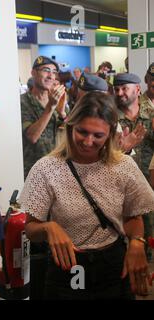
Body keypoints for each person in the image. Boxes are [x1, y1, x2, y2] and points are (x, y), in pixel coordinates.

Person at [20, 91, 154, 299]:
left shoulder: (123, 166)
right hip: (68, 266)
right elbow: (31, 227)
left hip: (113, 265)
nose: (88, 141)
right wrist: (48, 228)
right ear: (71, 126)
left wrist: (137, 241)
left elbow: (133, 217)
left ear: (110, 134)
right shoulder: (46, 168)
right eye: (82, 132)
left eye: (98, 135)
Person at [114, 72, 154, 261]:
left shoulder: (151, 113)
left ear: (137, 90)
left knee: (148, 234)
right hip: (119, 188)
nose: (120, 93)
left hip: (148, 185)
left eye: (124, 88)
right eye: (117, 89)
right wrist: (123, 148)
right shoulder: (110, 116)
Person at [20, 56, 67, 179]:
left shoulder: (58, 100)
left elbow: (68, 133)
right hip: (34, 171)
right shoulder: (22, 102)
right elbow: (32, 136)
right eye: (46, 70)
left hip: (59, 168)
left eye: (54, 72)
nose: (51, 76)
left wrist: (62, 113)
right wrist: (50, 107)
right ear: (33, 73)